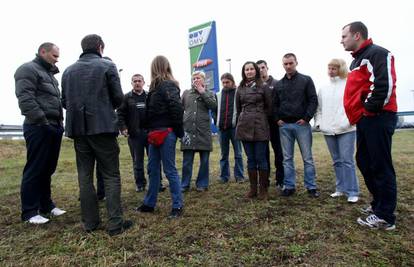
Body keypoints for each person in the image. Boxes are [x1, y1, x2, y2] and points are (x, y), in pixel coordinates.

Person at [62, 34, 132, 236]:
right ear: (100, 47)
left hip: (78, 130)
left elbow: (64, 102)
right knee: (111, 175)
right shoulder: (107, 66)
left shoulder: (68, 71)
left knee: (84, 176)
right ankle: (115, 224)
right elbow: (119, 99)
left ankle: (90, 223)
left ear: (83, 48)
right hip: (102, 128)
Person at [341, 21, 398, 230]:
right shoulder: (356, 61)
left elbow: (385, 84)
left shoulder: (378, 53)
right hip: (365, 119)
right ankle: (378, 204)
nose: (341, 40)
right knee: (364, 161)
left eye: (344, 36)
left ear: (357, 35)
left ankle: (386, 216)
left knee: (381, 165)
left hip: (378, 116)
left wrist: (368, 109)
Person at [14, 42, 66, 224]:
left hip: (54, 126)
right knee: (35, 168)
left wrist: (59, 124)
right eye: (54, 56)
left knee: (48, 168)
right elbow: (26, 99)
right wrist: (43, 122)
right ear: (42, 52)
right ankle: (29, 211)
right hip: (38, 126)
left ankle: (46, 205)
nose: (57, 60)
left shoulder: (51, 75)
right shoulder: (27, 70)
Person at [136, 55, 184, 219]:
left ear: (155, 67)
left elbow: (177, 109)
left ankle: (177, 205)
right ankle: (149, 203)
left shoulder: (169, 86)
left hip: (166, 132)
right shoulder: (155, 89)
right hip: (154, 133)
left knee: (170, 170)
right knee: (152, 169)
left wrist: (179, 132)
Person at [272, 53, 319, 198]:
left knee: (307, 158)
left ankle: (311, 187)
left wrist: (306, 118)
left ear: (296, 63)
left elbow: (313, 100)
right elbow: (274, 104)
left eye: (290, 63)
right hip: (285, 126)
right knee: (287, 159)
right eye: (285, 64)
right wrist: (277, 119)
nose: (288, 66)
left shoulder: (306, 80)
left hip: (302, 125)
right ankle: (289, 186)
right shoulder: (278, 84)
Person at [314, 59, 359, 203]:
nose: (331, 70)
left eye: (334, 68)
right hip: (328, 130)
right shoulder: (323, 88)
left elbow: (355, 105)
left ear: (341, 68)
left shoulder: (348, 85)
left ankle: (353, 191)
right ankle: (340, 189)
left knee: (347, 160)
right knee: (337, 161)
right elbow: (319, 109)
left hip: (347, 129)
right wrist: (319, 124)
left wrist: (349, 121)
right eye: (329, 68)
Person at [117, 74, 165, 192]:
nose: (137, 83)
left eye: (139, 81)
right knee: (137, 161)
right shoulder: (126, 97)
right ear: (131, 83)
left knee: (154, 160)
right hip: (135, 134)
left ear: (144, 82)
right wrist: (123, 128)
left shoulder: (150, 96)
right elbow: (120, 114)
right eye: (135, 81)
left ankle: (157, 184)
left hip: (151, 133)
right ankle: (140, 184)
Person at [236, 61, 272, 200]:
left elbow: (269, 107)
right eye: (247, 69)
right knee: (250, 159)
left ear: (256, 70)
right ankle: (253, 190)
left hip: (260, 126)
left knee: (261, 158)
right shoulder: (240, 88)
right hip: (244, 126)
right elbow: (238, 109)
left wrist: (260, 117)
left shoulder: (264, 86)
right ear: (244, 72)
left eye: (251, 69)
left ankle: (263, 190)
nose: (249, 71)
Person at [181, 71, 217, 192]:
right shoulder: (186, 93)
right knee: (187, 161)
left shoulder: (210, 93)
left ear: (203, 80)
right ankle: (184, 184)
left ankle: (202, 184)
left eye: (198, 78)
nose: (195, 80)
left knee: (205, 160)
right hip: (188, 132)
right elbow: (180, 108)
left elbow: (214, 106)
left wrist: (202, 92)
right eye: (194, 78)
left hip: (203, 132)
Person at [256, 60, 284, 188]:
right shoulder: (255, 85)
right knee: (263, 153)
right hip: (261, 124)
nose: (261, 70)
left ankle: (280, 180)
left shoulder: (277, 83)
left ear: (267, 68)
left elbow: (281, 103)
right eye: (259, 68)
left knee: (278, 152)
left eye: (263, 67)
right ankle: (264, 179)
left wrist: (279, 118)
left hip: (275, 123)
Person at [213, 73, 244, 184]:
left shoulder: (238, 93)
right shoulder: (218, 95)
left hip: (235, 128)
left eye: (227, 82)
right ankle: (224, 177)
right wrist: (217, 121)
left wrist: (238, 123)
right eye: (223, 82)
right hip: (222, 129)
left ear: (232, 81)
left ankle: (239, 176)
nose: (225, 84)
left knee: (238, 153)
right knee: (223, 154)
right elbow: (214, 111)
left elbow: (241, 110)